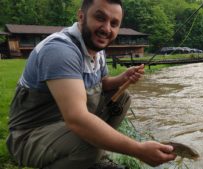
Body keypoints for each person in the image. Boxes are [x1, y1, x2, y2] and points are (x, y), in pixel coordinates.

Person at [6, 0, 177, 168]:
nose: (107, 29)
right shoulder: (60, 51)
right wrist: (139, 150)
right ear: (81, 16)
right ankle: (88, 151)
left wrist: (122, 78)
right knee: (90, 145)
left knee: (122, 98)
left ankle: (91, 149)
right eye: (100, 18)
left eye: (114, 23)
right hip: (29, 136)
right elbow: (77, 119)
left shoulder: (96, 49)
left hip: (62, 125)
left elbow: (102, 84)